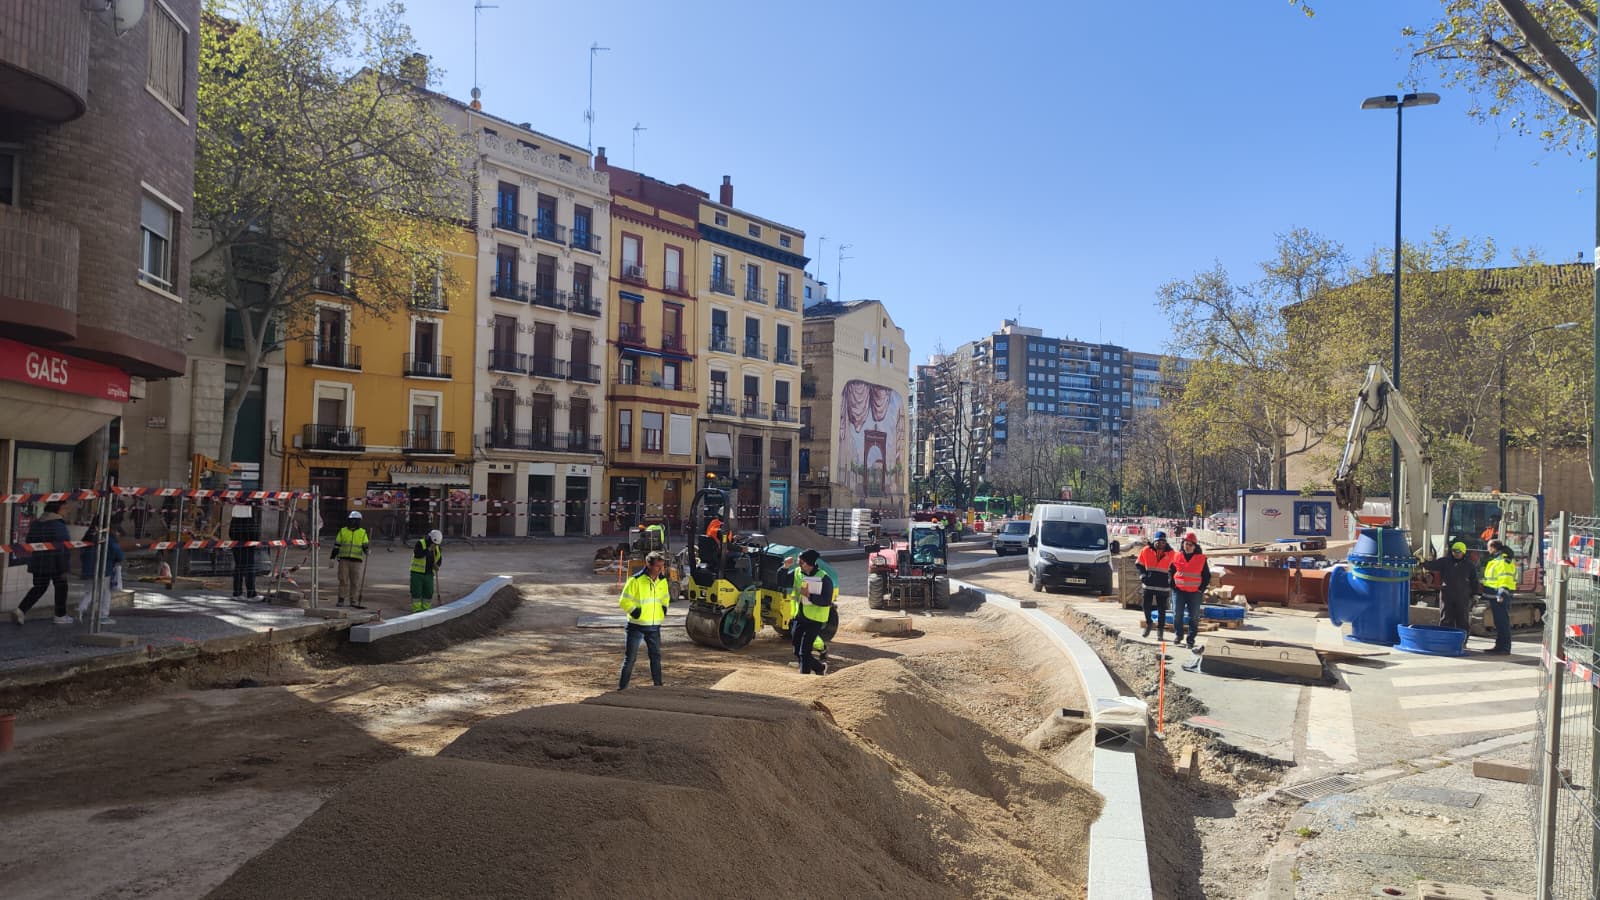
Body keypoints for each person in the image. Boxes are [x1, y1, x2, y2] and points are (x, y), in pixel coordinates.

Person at [617, 550, 671, 689]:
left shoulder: (662, 581)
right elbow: (623, 601)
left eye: (662, 566)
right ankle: (622, 688)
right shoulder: (635, 581)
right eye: (658, 566)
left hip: (654, 626)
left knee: (656, 657)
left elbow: (665, 597)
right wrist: (635, 612)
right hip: (636, 626)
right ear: (648, 564)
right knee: (630, 659)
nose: (661, 569)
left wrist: (664, 608)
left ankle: (658, 686)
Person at [13, 501, 73, 625]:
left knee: (39, 587)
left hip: (38, 561)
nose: (67, 511)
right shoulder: (58, 525)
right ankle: (60, 615)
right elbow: (63, 548)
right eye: (65, 508)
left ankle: (21, 609)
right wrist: (64, 567)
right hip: (56, 562)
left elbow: (29, 540)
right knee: (62, 587)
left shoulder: (36, 523)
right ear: (58, 509)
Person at [790, 549, 835, 675]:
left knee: (804, 652)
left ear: (807, 563)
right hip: (800, 616)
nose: (798, 563)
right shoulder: (798, 572)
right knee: (796, 650)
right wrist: (784, 567)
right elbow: (782, 580)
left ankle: (804, 679)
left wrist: (810, 596)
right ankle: (819, 668)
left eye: (801, 561)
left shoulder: (824, 579)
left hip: (815, 619)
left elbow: (826, 601)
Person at [1420, 541, 1479, 631]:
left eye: (1458, 551)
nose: (1455, 553)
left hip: (1462, 596)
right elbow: (1432, 565)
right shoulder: (1445, 561)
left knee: (1462, 619)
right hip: (1447, 594)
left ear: (1463, 552)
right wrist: (1423, 562)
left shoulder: (1469, 565)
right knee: (1446, 618)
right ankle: (1445, 640)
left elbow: (1474, 580)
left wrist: (1475, 594)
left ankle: (1462, 640)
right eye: (1453, 551)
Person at [1168, 532, 1210, 651]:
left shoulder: (1201, 559)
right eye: (1186, 544)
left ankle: (1190, 639)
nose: (1188, 546)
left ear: (1195, 546)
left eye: (1191, 544)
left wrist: (1200, 589)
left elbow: (1206, 575)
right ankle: (1178, 635)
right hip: (1179, 591)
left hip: (1194, 593)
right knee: (1177, 614)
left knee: (1194, 617)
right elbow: (1170, 572)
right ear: (1183, 544)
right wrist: (1172, 585)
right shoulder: (1177, 556)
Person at [1135, 530, 1178, 640]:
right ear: (1154, 541)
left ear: (1166, 543)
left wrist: (1171, 580)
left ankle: (1160, 631)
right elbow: (1139, 565)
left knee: (1161, 610)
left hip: (1163, 586)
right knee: (1146, 606)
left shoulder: (1172, 553)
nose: (1160, 544)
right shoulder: (1146, 550)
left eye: (1163, 542)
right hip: (1148, 584)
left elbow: (1175, 569)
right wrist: (1143, 576)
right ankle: (1149, 623)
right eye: (1158, 542)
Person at [78, 524, 125, 625]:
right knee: (105, 592)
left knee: (91, 590)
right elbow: (119, 555)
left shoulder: (93, 536)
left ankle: (81, 608)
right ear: (115, 531)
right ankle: (103, 615)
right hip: (104, 569)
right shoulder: (110, 541)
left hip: (90, 568)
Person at [1481, 539, 1518, 654]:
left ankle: (1504, 648)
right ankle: (1500, 647)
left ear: (1493, 547)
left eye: (1488, 547)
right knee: (1500, 622)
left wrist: (1501, 593)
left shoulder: (1503, 560)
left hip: (1499, 596)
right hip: (1495, 595)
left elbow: (1505, 578)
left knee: (1502, 622)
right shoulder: (1499, 559)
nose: (1487, 550)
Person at [332, 511, 370, 608]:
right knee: (343, 580)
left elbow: (365, 545)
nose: (352, 522)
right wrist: (332, 558)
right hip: (344, 560)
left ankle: (353, 600)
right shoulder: (342, 531)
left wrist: (367, 551)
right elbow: (336, 546)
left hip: (356, 561)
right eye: (351, 520)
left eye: (355, 520)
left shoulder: (362, 532)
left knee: (355, 582)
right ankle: (341, 599)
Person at [229, 504, 261, 600]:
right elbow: (252, 532)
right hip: (247, 541)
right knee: (249, 567)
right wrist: (256, 539)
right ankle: (251, 593)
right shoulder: (248, 519)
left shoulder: (235, 518)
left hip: (236, 538)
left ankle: (237, 593)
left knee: (239, 566)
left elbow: (231, 533)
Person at [410, 529, 443, 613]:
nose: (435, 546)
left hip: (428, 574)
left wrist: (437, 566)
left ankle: (426, 610)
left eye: (436, 544)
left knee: (428, 592)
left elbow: (439, 559)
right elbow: (418, 555)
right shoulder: (420, 543)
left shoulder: (438, 548)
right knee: (416, 592)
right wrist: (428, 549)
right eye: (434, 544)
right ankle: (416, 609)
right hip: (417, 573)